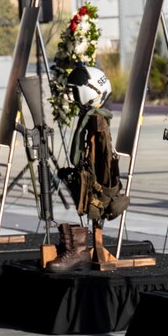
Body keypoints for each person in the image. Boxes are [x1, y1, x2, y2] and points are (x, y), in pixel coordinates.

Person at [50, 65, 129, 272]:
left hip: (100, 193)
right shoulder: (93, 119)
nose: (72, 97)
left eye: (75, 91)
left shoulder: (98, 122)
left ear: (89, 91)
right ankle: (79, 249)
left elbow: (105, 170)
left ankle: (80, 252)